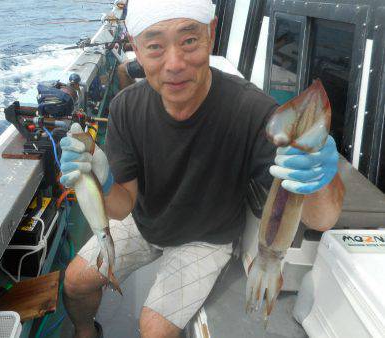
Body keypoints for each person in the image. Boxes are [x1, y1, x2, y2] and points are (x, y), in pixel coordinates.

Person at [59, 0, 344, 337]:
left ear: (211, 33)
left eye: (189, 40)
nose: (174, 63)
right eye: (154, 46)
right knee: (75, 281)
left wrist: (320, 176)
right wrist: (102, 184)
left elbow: (321, 219)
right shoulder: (125, 107)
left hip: (206, 238)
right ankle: (85, 331)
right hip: (146, 221)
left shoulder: (252, 111)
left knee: (154, 329)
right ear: (136, 48)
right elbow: (123, 207)